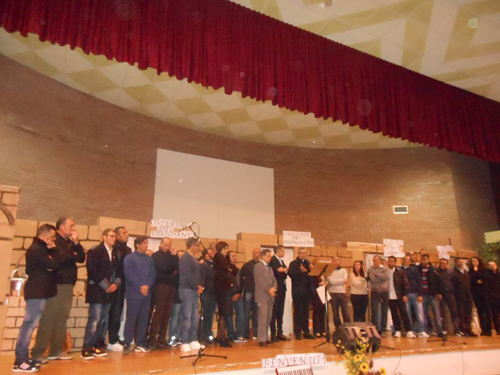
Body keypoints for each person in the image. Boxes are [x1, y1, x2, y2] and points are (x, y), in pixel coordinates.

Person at [13, 224, 68, 373]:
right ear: (43, 237)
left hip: (42, 291)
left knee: (31, 325)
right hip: (36, 292)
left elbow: (56, 263)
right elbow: (55, 263)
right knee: (28, 325)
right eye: (51, 238)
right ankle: (20, 361)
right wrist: (54, 254)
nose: (53, 241)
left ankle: (24, 357)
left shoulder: (43, 249)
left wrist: (53, 258)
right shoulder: (36, 250)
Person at [32, 217, 86, 362]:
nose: (74, 228)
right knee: (49, 318)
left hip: (68, 285)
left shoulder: (70, 242)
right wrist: (71, 255)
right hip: (56, 284)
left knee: (62, 318)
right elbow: (61, 257)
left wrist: (76, 243)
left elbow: (80, 258)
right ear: (61, 227)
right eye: (71, 225)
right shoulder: (55, 240)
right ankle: (38, 352)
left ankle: (56, 350)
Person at [81, 229, 121, 359]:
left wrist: (115, 284)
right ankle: (87, 347)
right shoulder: (95, 250)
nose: (114, 238)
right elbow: (92, 270)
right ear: (104, 237)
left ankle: (97, 345)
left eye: (115, 236)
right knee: (95, 319)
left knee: (103, 320)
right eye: (111, 236)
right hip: (97, 290)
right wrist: (106, 286)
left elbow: (120, 271)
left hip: (109, 292)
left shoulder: (116, 253)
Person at [122, 236, 156, 354]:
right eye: (144, 243)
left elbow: (153, 275)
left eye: (147, 243)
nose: (146, 245)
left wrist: (147, 286)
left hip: (146, 294)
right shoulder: (129, 258)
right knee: (131, 318)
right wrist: (140, 287)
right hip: (133, 294)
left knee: (143, 319)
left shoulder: (149, 260)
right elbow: (129, 275)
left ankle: (140, 343)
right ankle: (128, 341)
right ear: (137, 245)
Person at [147, 237, 178, 349]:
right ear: (161, 244)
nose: (167, 247)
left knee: (167, 313)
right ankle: (152, 338)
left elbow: (177, 268)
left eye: (169, 245)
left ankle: (162, 338)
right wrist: (172, 271)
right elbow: (163, 268)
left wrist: (174, 256)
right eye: (165, 244)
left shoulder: (171, 256)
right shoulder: (156, 255)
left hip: (171, 287)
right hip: (161, 286)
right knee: (159, 313)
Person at [107, 226, 132, 351]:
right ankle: (110, 340)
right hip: (111, 284)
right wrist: (115, 282)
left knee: (118, 313)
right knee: (111, 313)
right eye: (124, 233)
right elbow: (116, 268)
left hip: (122, 285)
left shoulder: (128, 250)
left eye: (126, 232)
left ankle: (115, 337)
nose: (126, 234)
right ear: (117, 236)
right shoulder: (114, 249)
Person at [179, 238, 203, 353]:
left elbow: (196, 275)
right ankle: (184, 341)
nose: (199, 248)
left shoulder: (194, 259)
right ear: (192, 245)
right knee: (187, 316)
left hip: (193, 289)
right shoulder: (185, 258)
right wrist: (196, 286)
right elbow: (187, 275)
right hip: (187, 289)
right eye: (197, 245)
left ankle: (193, 339)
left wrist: (199, 285)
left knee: (195, 316)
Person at [289, 248, 315, 340]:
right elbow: (290, 274)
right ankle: (298, 332)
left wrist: (312, 270)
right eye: (301, 253)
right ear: (298, 253)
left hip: (307, 291)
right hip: (298, 291)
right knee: (298, 312)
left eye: (305, 253)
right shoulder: (293, 263)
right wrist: (300, 270)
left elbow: (311, 276)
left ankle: (306, 331)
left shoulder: (308, 263)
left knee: (306, 313)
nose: (303, 254)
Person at [212, 241, 235, 347]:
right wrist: (230, 273)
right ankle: (222, 338)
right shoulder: (219, 258)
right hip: (222, 288)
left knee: (223, 313)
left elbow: (232, 269)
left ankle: (221, 336)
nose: (227, 251)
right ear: (221, 249)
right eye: (225, 249)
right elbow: (226, 271)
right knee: (224, 312)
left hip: (222, 288)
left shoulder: (221, 258)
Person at [253, 249, 277, 347]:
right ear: (262, 256)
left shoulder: (270, 268)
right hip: (262, 295)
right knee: (263, 317)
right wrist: (268, 289)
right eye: (268, 256)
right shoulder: (257, 266)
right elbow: (260, 280)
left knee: (268, 317)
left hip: (270, 296)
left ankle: (267, 337)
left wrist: (274, 288)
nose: (269, 258)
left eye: (270, 256)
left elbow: (274, 280)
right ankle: (261, 339)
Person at [387, 256, 414, 338]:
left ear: (395, 262)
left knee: (404, 313)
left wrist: (405, 294)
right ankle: (397, 330)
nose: (390, 263)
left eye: (391, 261)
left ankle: (408, 330)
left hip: (399, 295)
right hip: (390, 296)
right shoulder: (385, 271)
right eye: (389, 261)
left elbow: (405, 284)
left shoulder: (400, 271)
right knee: (394, 314)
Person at [401, 254, 428, 338]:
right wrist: (403, 295)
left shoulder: (414, 269)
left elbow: (419, 282)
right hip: (405, 296)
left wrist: (420, 294)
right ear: (402, 260)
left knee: (419, 313)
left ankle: (421, 331)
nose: (406, 261)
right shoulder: (399, 270)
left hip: (415, 294)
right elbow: (399, 284)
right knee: (408, 314)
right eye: (404, 259)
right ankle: (411, 330)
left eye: (407, 259)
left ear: (410, 261)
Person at [418, 254, 444, 337]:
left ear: (429, 260)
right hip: (423, 295)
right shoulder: (418, 269)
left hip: (433, 295)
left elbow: (439, 282)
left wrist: (439, 292)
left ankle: (439, 331)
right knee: (424, 313)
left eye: (425, 259)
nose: (424, 261)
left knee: (437, 313)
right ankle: (426, 330)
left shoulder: (434, 270)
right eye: (422, 259)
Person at [437, 258, 464, 336]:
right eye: (441, 263)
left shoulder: (451, 272)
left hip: (450, 294)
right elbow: (435, 283)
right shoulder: (436, 272)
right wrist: (438, 293)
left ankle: (456, 329)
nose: (442, 265)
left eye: (444, 263)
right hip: (441, 295)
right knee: (442, 313)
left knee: (454, 312)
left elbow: (455, 283)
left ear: (447, 264)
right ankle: (444, 329)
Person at [225, 251, 247, 343]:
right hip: (228, 295)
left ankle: (239, 335)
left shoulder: (238, 270)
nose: (235, 257)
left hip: (238, 295)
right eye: (233, 256)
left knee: (241, 315)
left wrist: (239, 293)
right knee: (228, 316)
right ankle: (230, 334)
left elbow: (242, 282)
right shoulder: (225, 269)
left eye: (235, 256)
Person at [240, 248, 261, 339]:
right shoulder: (247, 265)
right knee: (246, 313)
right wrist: (242, 289)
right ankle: (245, 333)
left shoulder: (262, 265)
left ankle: (256, 333)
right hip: (248, 291)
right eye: (253, 252)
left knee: (256, 314)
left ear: (259, 254)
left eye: (256, 252)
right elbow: (241, 276)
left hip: (259, 292)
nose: (254, 254)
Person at [269, 245, 289, 342]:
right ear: (279, 251)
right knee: (274, 312)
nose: (284, 253)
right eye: (283, 251)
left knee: (280, 311)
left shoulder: (281, 262)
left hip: (282, 289)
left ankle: (280, 333)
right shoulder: (273, 260)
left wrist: (284, 270)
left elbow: (285, 273)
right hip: (276, 289)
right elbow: (277, 273)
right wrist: (283, 270)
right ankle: (273, 334)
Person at [453, 258, 477, 337]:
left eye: (462, 262)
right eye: (459, 262)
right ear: (456, 262)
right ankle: (463, 329)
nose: (460, 263)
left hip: (468, 296)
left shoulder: (466, 272)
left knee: (468, 314)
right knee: (461, 314)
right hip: (459, 297)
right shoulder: (453, 273)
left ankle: (468, 329)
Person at [367, 255, 390, 336]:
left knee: (384, 311)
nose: (374, 262)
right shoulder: (370, 269)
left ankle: (383, 329)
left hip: (384, 292)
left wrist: (376, 275)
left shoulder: (385, 269)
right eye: (373, 260)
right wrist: (379, 276)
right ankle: (374, 329)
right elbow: (372, 279)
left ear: (380, 261)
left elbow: (386, 277)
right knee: (374, 310)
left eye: (376, 260)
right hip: (374, 291)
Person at [470, 256, 492, 336]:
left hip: (484, 293)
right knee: (480, 312)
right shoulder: (471, 270)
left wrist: (477, 272)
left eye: (475, 261)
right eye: (472, 261)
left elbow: (485, 278)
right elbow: (472, 280)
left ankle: (489, 329)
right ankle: (483, 329)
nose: (473, 263)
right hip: (476, 294)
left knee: (487, 311)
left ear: (479, 261)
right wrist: (477, 280)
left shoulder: (484, 270)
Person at [327, 256, 351, 330]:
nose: (336, 261)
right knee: (335, 312)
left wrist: (339, 281)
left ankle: (347, 327)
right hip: (333, 292)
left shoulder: (344, 270)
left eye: (337, 260)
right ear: (332, 261)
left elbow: (346, 280)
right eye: (334, 260)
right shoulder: (329, 270)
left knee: (345, 311)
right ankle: (338, 328)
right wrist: (342, 281)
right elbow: (331, 281)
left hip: (342, 292)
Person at [200, 244, 216, 344]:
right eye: (208, 253)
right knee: (204, 314)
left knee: (210, 315)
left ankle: (208, 334)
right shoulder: (202, 265)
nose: (210, 255)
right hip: (206, 292)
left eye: (211, 253)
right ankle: (201, 335)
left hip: (213, 292)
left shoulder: (214, 265)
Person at [168, 249, 184, 346]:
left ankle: (179, 336)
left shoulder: (185, 269)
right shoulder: (174, 269)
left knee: (182, 318)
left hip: (184, 297)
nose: (181, 258)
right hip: (175, 297)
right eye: (179, 256)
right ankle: (172, 337)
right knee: (174, 317)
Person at [311, 274, 326, 338]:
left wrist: (325, 284)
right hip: (316, 295)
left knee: (323, 312)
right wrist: (318, 284)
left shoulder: (322, 274)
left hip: (322, 293)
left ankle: (322, 329)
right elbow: (311, 284)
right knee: (317, 312)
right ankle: (316, 330)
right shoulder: (313, 274)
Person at [488, 261, 500, 335]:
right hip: (492, 298)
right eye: (491, 265)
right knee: (495, 314)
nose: (493, 266)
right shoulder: (487, 275)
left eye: (494, 265)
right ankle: (498, 329)